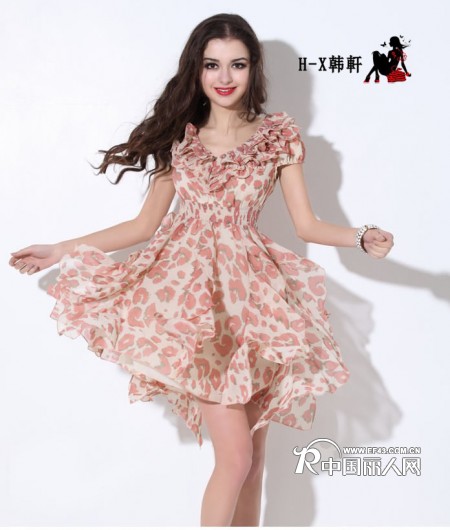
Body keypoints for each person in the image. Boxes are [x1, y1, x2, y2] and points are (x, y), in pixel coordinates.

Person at [8, 13, 394, 527]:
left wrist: (361, 236)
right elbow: (144, 224)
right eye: (212, 65)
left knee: (252, 465)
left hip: (256, 305)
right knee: (234, 459)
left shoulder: (277, 138)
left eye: (237, 64)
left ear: (254, 69)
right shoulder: (181, 141)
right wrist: (61, 248)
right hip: (198, 311)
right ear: (197, 69)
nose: (225, 77)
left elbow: (307, 224)